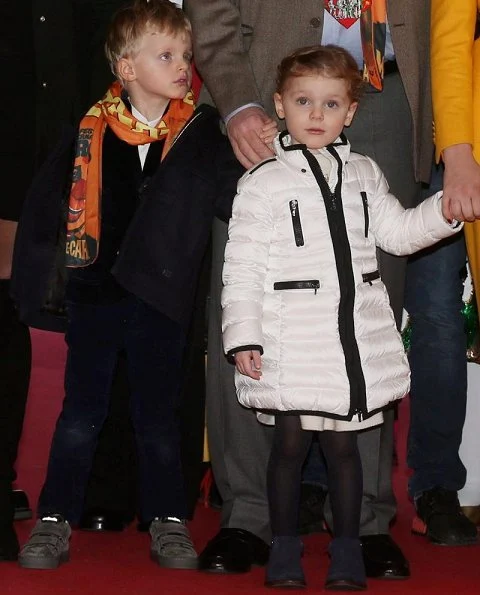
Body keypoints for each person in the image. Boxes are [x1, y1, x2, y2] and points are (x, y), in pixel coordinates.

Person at [186, 0, 432, 579]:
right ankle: (248, 514)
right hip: (267, 90)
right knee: (251, 300)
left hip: (388, 89)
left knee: (371, 309)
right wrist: (240, 101)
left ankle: (366, 519)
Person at [221, 44, 462, 590]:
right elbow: (240, 269)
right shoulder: (261, 183)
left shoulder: (365, 174)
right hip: (289, 341)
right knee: (286, 450)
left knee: (345, 451)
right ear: (279, 105)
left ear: (350, 112)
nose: (316, 115)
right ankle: (283, 548)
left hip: (350, 346)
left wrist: (444, 211)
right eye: (303, 101)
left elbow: (398, 234)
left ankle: (347, 548)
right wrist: (244, 338)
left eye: (331, 104)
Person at [16, 0, 241, 570]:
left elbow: (234, 198)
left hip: (161, 302)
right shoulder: (87, 132)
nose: (183, 66)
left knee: (159, 418)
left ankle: (167, 519)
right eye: (166, 55)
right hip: (96, 297)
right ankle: (53, 518)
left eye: (186, 56)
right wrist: (48, 284)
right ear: (127, 68)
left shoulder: (201, 134)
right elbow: (47, 213)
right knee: (81, 414)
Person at [405, 0, 480, 545]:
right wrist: (458, 153)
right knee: (423, 311)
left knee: (435, 314)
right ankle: (432, 486)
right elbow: (451, 41)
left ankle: (437, 486)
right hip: (435, 138)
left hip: (453, 149)